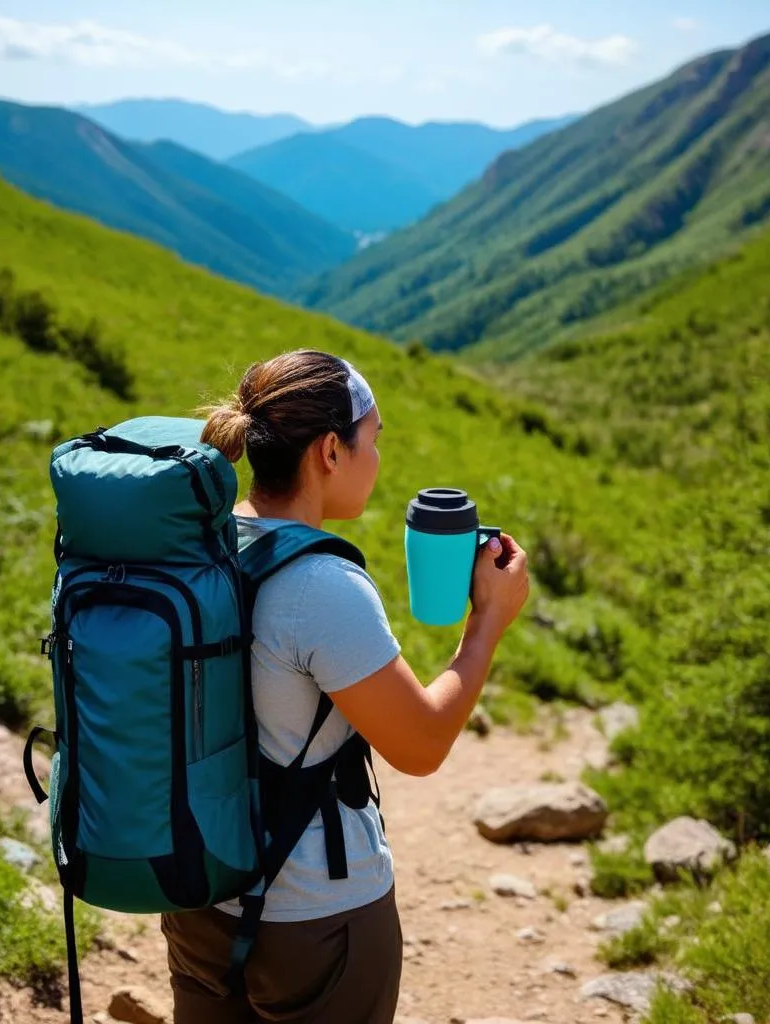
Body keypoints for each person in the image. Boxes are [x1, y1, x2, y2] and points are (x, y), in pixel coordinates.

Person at [161, 348, 529, 1024]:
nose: (379, 458)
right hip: (315, 917)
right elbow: (419, 746)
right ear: (331, 451)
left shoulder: (201, 545)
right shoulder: (321, 586)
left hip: (199, 897)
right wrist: (487, 626)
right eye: (375, 438)